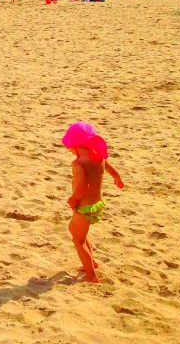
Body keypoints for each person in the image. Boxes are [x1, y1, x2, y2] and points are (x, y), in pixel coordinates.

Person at [62, 121, 125, 283]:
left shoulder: (78, 164)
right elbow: (113, 171)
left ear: (75, 146)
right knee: (76, 231)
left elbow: (83, 185)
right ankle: (91, 262)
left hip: (84, 206)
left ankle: (91, 274)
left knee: (78, 240)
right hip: (97, 204)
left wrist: (73, 199)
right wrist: (117, 179)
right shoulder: (99, 157)